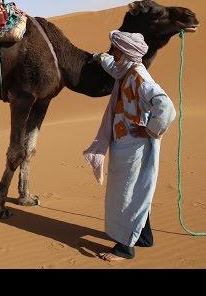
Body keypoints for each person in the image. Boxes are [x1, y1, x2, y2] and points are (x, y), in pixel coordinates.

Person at [83, 30, 176, 261]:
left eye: (114, 49)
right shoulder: (125, 70)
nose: (112, 52)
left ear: (125, 52)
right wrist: (99, 57)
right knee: (135, 193)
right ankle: (143, 237)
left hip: (136, 148)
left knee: (127, 194)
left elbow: (165, 106)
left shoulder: (138, 77)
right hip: (124, 146)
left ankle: (125, 249)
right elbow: (113, 67)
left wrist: (151, 129)